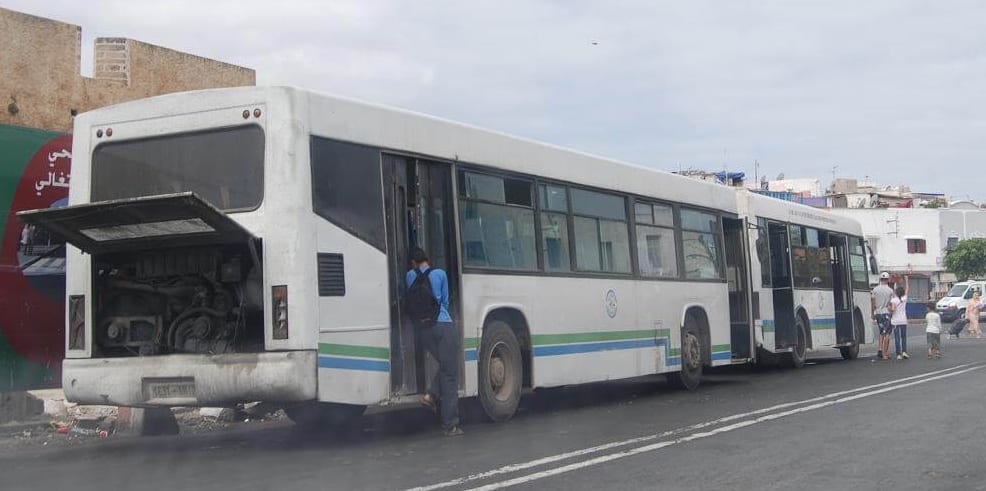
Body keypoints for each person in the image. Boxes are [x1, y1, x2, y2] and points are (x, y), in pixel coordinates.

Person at [405, 247, 463, 436]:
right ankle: (450, 425)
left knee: (447, 366)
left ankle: (431, 394)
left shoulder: (409, 276)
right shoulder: (440, 274)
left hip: (423, 331)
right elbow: (445, 301)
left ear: (413, 262)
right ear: (427, 259)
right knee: (450, 373)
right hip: (442, 326)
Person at [871, 272, 894, 360]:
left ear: (880, 279)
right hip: (887, 313)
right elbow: (892, 303)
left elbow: (872, 302)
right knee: (887, 333)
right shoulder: (890, 291)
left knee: (881, 332)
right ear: (888, 280)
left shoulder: (875, 289)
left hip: (878, 313)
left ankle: (880, 349)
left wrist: (872, 313)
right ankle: (885, 353)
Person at [889, 275, 910, 360]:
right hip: (903, 320)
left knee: (897, 337)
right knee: (904, 337)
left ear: (896, 293)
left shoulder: (893, 300)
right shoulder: (904, 298)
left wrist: (890, 309)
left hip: (895, 321)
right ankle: (904, 352)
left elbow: (893, 310)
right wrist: (906, 280)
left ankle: (898, 354)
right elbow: (907, 289)